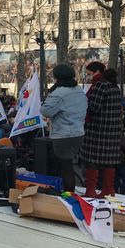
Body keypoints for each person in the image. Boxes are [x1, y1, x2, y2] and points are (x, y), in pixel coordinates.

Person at [40, 64, 88, 192]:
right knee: (69, 165)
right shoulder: (79, 90)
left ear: (57, 77)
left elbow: (45, 111)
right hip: (78, 133)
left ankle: (68, 195)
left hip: (63, 135)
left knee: (65, 167)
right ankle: (67, 192)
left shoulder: (59, 93)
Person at [80, 63, 123, 198]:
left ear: (97, 71)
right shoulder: (114, 87)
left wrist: (83, 105)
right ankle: (108, 190)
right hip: (112, 131)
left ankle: (91, 190)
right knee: (109, 162)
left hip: (98, 130)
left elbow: (94, 107)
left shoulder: (100, 85)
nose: (88, 76)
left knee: (92, 161)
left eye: (89, 73)